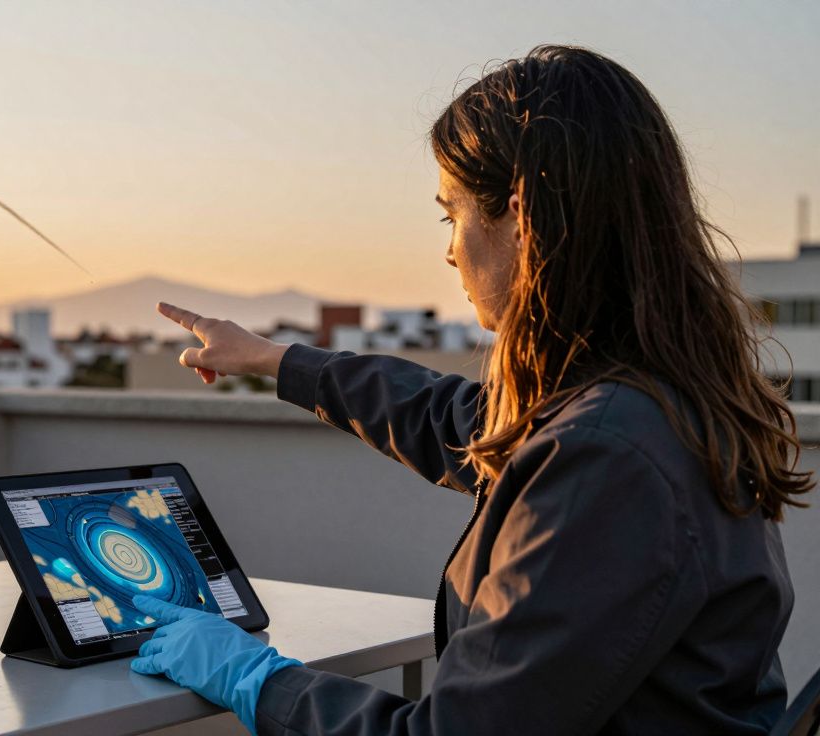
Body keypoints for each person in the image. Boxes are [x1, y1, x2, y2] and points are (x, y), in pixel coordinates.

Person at [128, 44, 813, 735]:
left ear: (522, 217)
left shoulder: (609, 457)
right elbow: (454, 418)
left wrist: (255, 679)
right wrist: (275, 362)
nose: (450, 248)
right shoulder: (653, 402)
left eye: (450, 214)